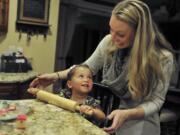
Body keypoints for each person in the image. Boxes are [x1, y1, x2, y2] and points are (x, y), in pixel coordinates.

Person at [29, 0, 175, 135]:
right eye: (111, 29)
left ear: (139, 34)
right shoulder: (109, 42)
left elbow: (156, 101)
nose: (113, 37)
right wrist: (55, 76)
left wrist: (127, 113)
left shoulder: (162, 58)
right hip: (110, 117)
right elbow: (86, 67)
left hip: (140, 125)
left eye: (121, 34)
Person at [29, 64, 105, 124]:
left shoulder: (91, 102)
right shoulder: (65, 95)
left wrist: (93, 112)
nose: (86, 79)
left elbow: (102, 117)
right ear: (70, 84)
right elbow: (52, 99)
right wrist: (38, 91)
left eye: (90, 77)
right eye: (81, 76)